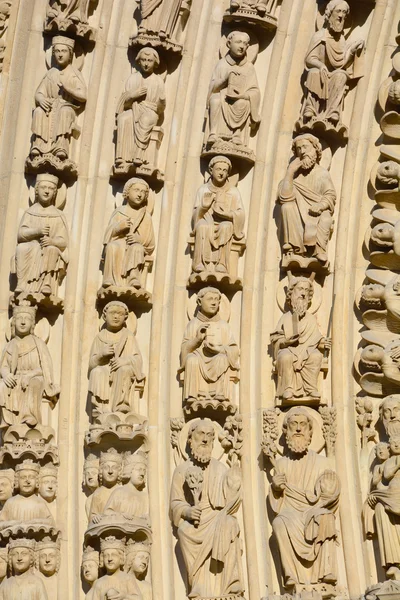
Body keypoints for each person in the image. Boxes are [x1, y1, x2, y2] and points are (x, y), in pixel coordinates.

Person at [170, 419, 244, 598]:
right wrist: (187, 512)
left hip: (217, 518)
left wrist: (234, 477)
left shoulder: (220, 469)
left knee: (230, 524)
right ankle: (198, 586)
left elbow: (231, 501)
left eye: (209, 436)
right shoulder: (182, 470)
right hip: (196, 523)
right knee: (184, 532)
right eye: (200, 435)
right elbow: (175, 502)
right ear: (190, 439)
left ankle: (231, 584)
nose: (205, 439)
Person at [269, 408, 340, 588]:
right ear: (286, 432)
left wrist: (327, 489)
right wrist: (276, 488)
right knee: (279, 522)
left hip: (314, 510)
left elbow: (331, 491)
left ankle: (326, 571)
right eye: (294, 425)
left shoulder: (322, 462)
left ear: (310, 431)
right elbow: (278, 504)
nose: (299, 429)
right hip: (291, 514)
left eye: (303, 425)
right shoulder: (281, 464)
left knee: (325, 516)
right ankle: (290, 575)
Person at [300, 0, 364, 126]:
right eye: (338, 11)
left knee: (341, 75)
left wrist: (351, 51)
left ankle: (332, 111)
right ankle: (310, 108)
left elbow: (340, 63)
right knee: (314, 73)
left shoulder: (341, 40)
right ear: (329, 14)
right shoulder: (319, 36)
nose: (341, 15)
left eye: (344, 12)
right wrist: (321, 65)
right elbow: (309, 58)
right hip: (319, 71)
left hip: (333, 74)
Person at [277, 134, 336, 266]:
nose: (302, 152)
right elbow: (284, 196)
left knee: (326, 217)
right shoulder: (294, 176)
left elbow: (330, 195)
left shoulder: (322, 174)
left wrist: (321, 206)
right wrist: (290, 172)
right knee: (286, 207)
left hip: (316, 212)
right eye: (298, 149)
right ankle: (294, 248)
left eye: (305, 147)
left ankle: (318, 250)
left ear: (315, 150)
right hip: (298, 214)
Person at [0, 303, 60, 429]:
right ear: (13, 323)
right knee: (1, 385)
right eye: (19, 319)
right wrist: (6, 375)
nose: (22, 322)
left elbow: (44, 368)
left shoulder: (38, 343)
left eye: (26, 319)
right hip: (15, 379)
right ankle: (6, 420)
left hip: (34, 377)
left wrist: (30, 375)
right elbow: (4, 366)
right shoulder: (10, 345)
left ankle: (30, 416)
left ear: (32, 324)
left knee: (35, 383)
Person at [271, 277, 329, 401]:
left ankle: (311, 388)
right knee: (285, 357)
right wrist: (285, 342)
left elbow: (315, 339)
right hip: (289, 349)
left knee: (316, 356)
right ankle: (288, 388)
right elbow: (276, 339)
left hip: (306, 351)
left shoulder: (311, 319)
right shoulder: (285, 318)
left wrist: (323, 344)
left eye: (306, 291)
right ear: (291, 294)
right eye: (300, 289)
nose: (303, 293)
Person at [30, 35, 87, 160]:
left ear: (70, 54)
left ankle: (61, 145)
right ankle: (39, 144)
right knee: (39, 111)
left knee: (65, 112)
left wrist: (68, 89)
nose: (60, 55)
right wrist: (41, 99)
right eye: (57, 51)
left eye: (64, 51)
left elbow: (83, 96)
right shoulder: (51, 73)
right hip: (50, 107)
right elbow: (39, 92)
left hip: (66, 107)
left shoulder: (74, 73)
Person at [180, 287, 240, 405]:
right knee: (192, 359)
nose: (214, 302)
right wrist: (197, 340)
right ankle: (193, 394)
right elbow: (184, 350)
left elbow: (234, 349)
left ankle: (219, 394)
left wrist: (219, 349)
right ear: (199, 302)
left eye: (216, 300)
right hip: (198, 359)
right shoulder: (193, 324)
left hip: (218, 358)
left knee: (223, 358)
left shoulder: (223, 325)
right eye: (209, 299)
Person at [14, 173, 69, 299]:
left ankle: (47, 283)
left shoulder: (58, 215)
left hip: (49, 248)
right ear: (37, 190)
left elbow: (63, 241)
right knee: (21, 248)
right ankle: (22, 283)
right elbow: (20, 235)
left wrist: (52, 241)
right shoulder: (30, 212)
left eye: (51, 189)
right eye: (43, 187)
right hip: (31, 247)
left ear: (55, 193)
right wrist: (37, 231)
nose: (47, 191)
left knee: (52, 250)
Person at [88, 301, 144, 417]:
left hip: (121, 370)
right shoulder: (100, 337)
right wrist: (101, 355)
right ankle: (100, 408)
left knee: (124, 370)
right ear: (104, 316)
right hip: (105, 371)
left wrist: (124, 361)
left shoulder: (128, 336)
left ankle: (121, 405)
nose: (116, 316)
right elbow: (91, 364)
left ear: (125, 318)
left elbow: (138, 359)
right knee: (97, 371)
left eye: (120, 313)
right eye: (112, 313)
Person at [206, 30, 260, 148]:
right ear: (229, 44)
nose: (241, 46)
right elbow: (213, 88)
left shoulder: (249, 67)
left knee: (243, 103)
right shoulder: (222, 64)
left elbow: (254, 90)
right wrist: (225, 78)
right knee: (215, 100)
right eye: (238, 42)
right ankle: (213, 133)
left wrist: (243, 95)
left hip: (240, 98)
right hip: (222, 96)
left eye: (245, 44)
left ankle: (236, 135)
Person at [191, 156, 245, 276]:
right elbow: (195, 216)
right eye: (218, 169)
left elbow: (240, 214)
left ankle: (222, 263)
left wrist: (228, 215)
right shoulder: (203, 190)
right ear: (211, 170)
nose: (221, 173)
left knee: (226, 226)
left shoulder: (233, 191)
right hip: (206, 221)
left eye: (225, 170)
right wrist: (203, 207)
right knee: (201, 227)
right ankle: (199, 262)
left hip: (224, 223)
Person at [115, 48, 165, 168]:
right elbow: (124, 103)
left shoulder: (158, 81)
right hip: (134, 108)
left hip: (150, 111)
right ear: (138, 61)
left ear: (155, 63)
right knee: (123, 118)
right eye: (143, 60)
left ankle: (139, 154)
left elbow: (160, 109)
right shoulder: (133, 78)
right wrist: (133, 95)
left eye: (149, 60)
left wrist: (162, 102)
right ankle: (121, 158)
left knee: (146, 120)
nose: (146, 63)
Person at [102, 178, 155, 290]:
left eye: (143, 192)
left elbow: (150, 243)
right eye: (136, 190)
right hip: (119, 243)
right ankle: (110, 278)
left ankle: (133, 277)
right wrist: (118, 228)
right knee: (112, 247)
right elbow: (107, 236)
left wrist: (138, 239)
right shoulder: (119, 211)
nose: (140, 194)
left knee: (137, 248)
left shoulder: (146, 216)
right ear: (127, 192)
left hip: (135, 246)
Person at [0, 460, 55, 530]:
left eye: (31, 477)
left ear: (37, 481)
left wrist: (36, 522)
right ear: (17, 481)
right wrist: (11, 523)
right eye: (23, 477)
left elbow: (51, 522)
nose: (27, 481)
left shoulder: (40, 503)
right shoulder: (10, 502)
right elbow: (1, 523)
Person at [104, 452, 149, 523]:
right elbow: (107, 512)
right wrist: (120, 515)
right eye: (139, 469)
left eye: (144, 470)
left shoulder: (144, 497)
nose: (142, 474)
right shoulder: (119, 492)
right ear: (129, 471)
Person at [89, 449, 122, 524]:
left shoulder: (123, 491)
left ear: (119, 471)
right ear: (101, 470)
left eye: (114, 467)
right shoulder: (98, 493)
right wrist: (95, 518)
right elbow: (92, 516)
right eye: (106, 467)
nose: (110, 471)